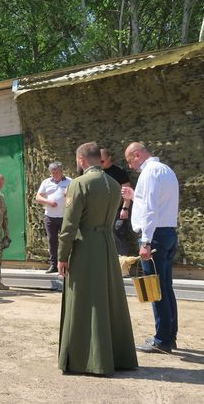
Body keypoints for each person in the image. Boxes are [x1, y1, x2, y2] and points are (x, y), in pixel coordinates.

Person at [57, 142, 138, 375]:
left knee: (83, 300)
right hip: (107, 245)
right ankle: (115, 355)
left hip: (85, 246)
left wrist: (62, 255)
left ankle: (86, 359)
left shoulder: (79, 184)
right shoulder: (113, 184)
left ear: (82, 160)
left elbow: (69, 224)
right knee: (109, 299)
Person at [121, 142, 179, 354]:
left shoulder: (149, 173)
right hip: (168, 232)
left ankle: (162, 340)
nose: (132, 166)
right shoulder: (166, 170)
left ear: (137, 155)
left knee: (155, 290)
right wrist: (134, 196)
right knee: (166, 287)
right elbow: (155, 203)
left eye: (130, 161)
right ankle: (169, 336)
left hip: (154, 236)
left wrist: (145, 241)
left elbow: (151, 209)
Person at [36, 162, 72, 273]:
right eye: (52, 173)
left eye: (56, 173)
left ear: (61, 171)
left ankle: (67, 263)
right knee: (52, 240)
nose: (54, 175)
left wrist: (69, 194)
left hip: (65, 216)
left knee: (66, 240)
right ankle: (53, 264)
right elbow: (38, 197)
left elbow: (77, 196)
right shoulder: (46, 182)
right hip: (50, 217)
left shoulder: (70, 181)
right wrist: (48, 201)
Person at [100, 148, 135, 257]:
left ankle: (123, 266)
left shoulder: (119, 172)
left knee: (118, 234)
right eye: (98, 161)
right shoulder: (96, 172)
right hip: (100, 211)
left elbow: (127, 191)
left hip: (116, 210)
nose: (100, 164)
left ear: (109, 158)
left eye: (102, 161)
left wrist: (125, 208)